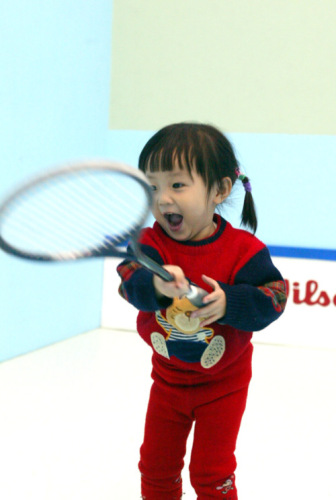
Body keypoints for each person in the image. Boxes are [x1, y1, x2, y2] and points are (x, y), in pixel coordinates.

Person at [117, 122, 287, 500]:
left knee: (211, 473)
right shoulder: (148, 245)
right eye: (153, 187)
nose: (162, 199)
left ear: (220, 190)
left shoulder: (244, 251)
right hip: (167, 382)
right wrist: (157, 287)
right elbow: (128, 281)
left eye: (177, 185)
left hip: (223, 386)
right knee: (155, 467)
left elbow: (275, 297)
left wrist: (230, 302)